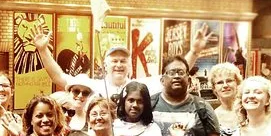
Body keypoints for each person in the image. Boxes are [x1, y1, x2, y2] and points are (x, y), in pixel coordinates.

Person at [33, 24, 213, 98]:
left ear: (129, 66)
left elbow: (174, 75)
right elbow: (59, 77)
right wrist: (42, 50)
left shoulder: (143, 86)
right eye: (114, 61)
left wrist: (194, 51)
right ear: (105, 65)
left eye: (123, 61)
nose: (119, 65)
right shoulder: (91, 86)